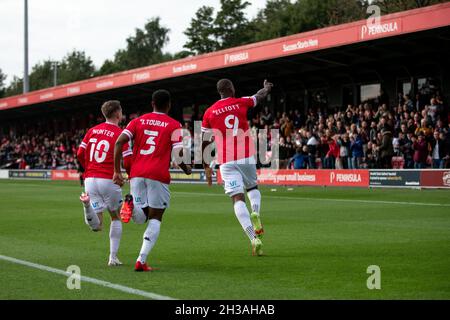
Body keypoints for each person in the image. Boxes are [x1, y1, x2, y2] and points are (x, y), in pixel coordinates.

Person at [113, 90, 191, 272]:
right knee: (155, 217)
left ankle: (130, 204)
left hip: (137, 174)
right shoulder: (174, 125)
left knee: (141, 218)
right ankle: (141, 260)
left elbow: (118, 142)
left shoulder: (137, 121)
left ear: (152, 103)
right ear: (169, 105)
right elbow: (177, 154)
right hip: (158, 175)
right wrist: (187, 169)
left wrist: (117, 171)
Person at [201, 79, 273, 256]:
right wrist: (266, 88)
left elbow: (204, 141)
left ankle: (252, 238)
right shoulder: (241, 101)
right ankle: (255, 212)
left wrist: (206, 166)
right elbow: (259, 96)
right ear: (230, 89)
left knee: (237, 198)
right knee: (253, 187)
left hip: (226, 160)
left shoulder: (209, 112)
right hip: (246, 155)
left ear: (219, 92)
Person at [76, 100, 132, 266]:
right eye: (121, 111)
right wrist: (126, 174)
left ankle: (87, 206)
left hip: (90, 179)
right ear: (117, 114)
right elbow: (128, 160)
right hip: (108, 178)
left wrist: (89, 168)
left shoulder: (92, 130)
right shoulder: (122, 133)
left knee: (97, 225)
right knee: (115, 217)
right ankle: (113, 258)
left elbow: (80, 153)